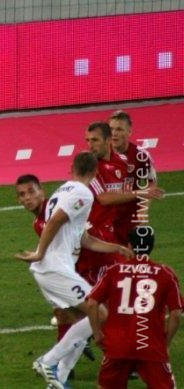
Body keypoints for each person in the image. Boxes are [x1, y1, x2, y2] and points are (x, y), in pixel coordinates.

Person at [15, 152, 134, 387]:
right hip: (54, 269)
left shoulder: (62, 191)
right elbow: (55, 221)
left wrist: (116, 247)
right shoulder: (83, 193)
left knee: (85, 319)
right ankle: (48, 362)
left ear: (72, 168)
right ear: (95, 172)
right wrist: (39, 253)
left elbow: (84, 238)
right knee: (99, 313)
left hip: (51, 270)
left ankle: (58, 378)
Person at [85, 226, 182, 389]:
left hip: (117, 345)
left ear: (129, 245)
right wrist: (166, 342)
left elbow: (92, 303)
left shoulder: (113, 271)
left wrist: (97, 334)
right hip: (151, 346)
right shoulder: (165, 273)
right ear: (151, 246)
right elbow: (176, 314)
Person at [77, 122, 164, 285]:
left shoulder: (124, 163)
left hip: (120, 233)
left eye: (94, 140)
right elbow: (104, 198)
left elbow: (129, 195)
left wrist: (136, 222)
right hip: (97, 235)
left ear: (108, 139)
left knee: (125, 281)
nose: (90, 145)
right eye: (87, 140)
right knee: (105, 284)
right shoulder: (90, 167)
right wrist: (140, 193)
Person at [109, 110, 158, 243]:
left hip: (129, 218)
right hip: (105, 217)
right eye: (111, 129)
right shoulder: (100, 156)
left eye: (119, 129)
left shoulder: (140, 156)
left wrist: (143, 209)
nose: (114, 133)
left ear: (129, 132)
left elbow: (151, 183)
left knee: (131, 253)